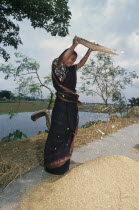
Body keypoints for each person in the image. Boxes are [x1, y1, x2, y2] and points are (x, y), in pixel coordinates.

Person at [44, 36, 93, 175]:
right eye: (70, 58)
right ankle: (54, 165)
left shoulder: (71, 69)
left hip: (70, 106)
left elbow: (81, 64)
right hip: (61, 106)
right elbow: (63, 58)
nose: (72, 61)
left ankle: (66, 160)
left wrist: (89, 51)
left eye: (73, 59)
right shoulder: (58, 66)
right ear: (64, 56)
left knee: (69, 132)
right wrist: (74, 46)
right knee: (58, 132)